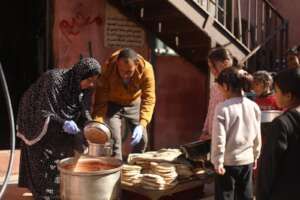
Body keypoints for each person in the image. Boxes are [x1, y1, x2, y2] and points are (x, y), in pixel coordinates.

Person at [17, 58, 101, 200]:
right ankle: (41, 192)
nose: (91, 84)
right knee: (40, 154)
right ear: (80, 75)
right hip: (34, 115)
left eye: (94, 80)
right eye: (89, 80)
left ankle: (58, 189)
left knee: (65, 149)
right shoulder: (54, 80)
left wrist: (90, 125)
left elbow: (84, 109)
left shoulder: (85, 88)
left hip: (61, 119)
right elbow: (43, 111)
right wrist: (62, 122)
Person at [93, 48, 155, 160]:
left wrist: (142, 124)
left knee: (142, 141)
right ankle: (117, 174)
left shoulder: (147, 69)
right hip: (113, 104)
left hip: (133, 103)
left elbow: (149, 98)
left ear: (136, 64)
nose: (124, 75)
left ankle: (134, 167)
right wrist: (98, 122)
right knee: (114, 142)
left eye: (129, 72)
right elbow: (101, 98)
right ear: (117, 63)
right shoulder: (107, 67)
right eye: (121, 71)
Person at [211, 67, 261, 200]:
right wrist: (255, 155)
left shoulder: (222, 108)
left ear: (226, 86)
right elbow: (257, 134)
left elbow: (218, 138)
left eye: (219, 87)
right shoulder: (254, 106)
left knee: (226, 196)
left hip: (228, 163)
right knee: (245, 196)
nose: (219, 90)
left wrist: (218, 161)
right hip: (247, 160)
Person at [256, 68, 300, 200]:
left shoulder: (281, 124)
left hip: (284, 192)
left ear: (288, 95)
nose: (274, 95)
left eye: (276, 91)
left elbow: (268, 168)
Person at [200, 47, 233, 140]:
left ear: (225, 63)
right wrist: (205, 130)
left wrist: (217, 136)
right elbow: (210, 110)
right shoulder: (215, 86)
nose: (212, 71)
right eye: (209, 67)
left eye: (213, 66)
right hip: (212, 137)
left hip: (225, 138)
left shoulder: (235, 87)